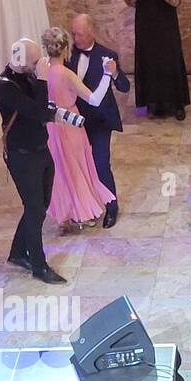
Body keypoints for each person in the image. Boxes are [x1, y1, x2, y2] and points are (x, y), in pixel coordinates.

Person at [0, 38, 77, 284]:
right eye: (33, 62)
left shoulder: (27, 74)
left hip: (40, 148)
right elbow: (40, 112)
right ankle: (39, 266)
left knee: (41, 204)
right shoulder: (4, 85)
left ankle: (18, 252)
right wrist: (41, 79)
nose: (37, 65)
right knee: (34, 208)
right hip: (22, 155)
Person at [38, 26, 116, 231]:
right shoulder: (66, 74)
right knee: (77, 169)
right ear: (65, 49)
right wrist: (107, 75)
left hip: (51, 127)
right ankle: (81, 213)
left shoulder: (41, 72)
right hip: (71, 127)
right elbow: (95, 99)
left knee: (59, 172)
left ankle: (63, 215)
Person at [69, 14, 129, 228]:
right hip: (75, 120)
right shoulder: (68, 54)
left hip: (100, 120)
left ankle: (111, 207)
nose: (76, 39)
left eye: (80, 34)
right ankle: (84, 207)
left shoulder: (107, 55)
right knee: (77, 165)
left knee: (101, 163)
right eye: (73, 33)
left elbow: (124, 86)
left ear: (92, 32)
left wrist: (113, 74)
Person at [124, 0, 189, 119]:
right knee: (148, 62)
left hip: (166, 28)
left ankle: (177, 104)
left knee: (169, 62)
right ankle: (152, 103)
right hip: (145, 28)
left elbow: (176, 1)